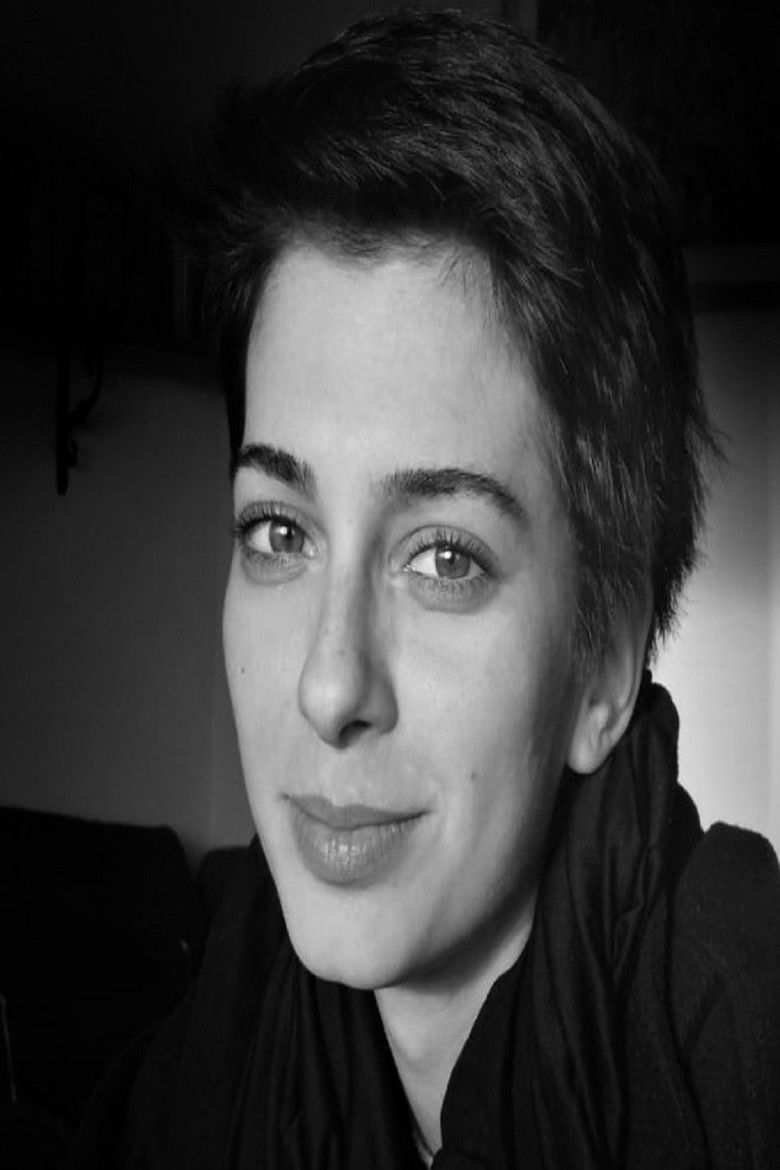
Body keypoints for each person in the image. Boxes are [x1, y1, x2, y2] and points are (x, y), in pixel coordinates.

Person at [70, 9, 779, 1168]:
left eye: (446, 557)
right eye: (279, 531)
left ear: (603, 666)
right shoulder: (200, 1063)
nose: (328, 685)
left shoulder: (746, 1046)